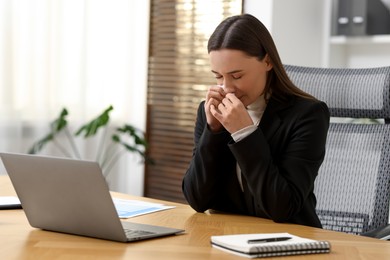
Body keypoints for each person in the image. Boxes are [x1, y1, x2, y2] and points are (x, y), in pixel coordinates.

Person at [182, 14, 330, 228]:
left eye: (237, 75)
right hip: (225, 240)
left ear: (267, 61)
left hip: (290, 242)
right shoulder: (210, 112)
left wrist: (244, 133)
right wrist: (213, 132)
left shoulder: (308, 115)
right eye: (218, 76)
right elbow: (197, 200)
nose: (227, 88)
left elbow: (283, 207)